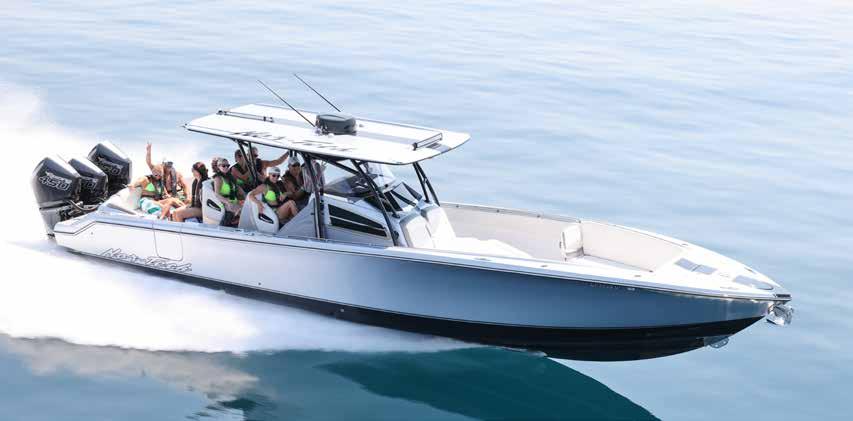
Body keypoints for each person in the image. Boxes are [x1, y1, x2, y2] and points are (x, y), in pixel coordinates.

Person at [212, 157, 245, 226]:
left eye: (228, 165)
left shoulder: (230, 177)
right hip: (225, 203)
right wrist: (227, 202)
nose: (226, 167)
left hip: (234, 201)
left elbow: (238, 189)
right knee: (243, 212)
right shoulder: (218, 178)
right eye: (223, 166)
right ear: (218, 167)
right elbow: (217, 194)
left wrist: (243, 197)